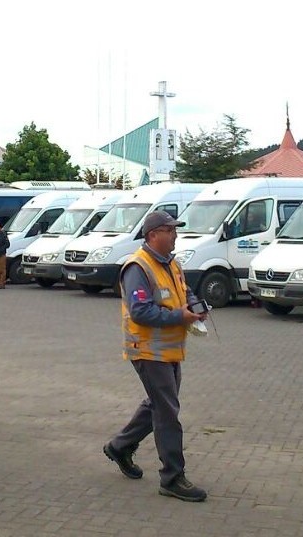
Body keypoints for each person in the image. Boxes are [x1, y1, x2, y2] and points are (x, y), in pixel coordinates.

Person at [103, 210, 209, 503]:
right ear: (152, 235)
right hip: (149, 351)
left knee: (160, 404)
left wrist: (194, 305)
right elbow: (140, 311)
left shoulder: (171, 263)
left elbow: (183, 292)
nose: (175, 235)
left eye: (175, 230)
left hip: (169, 350)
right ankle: (172, 477)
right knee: (167, 412)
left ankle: (120, 446)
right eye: (170, 230)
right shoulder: (138, 266)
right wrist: (181, 315)